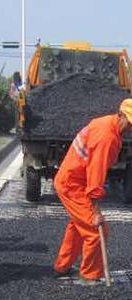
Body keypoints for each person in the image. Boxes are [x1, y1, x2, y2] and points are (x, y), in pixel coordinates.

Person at [53, 99, 132, 285]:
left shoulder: (107, 124)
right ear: (120, 114)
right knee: (97, 230)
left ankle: (62, 267)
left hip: (72, 180)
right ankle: (89, 276)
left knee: (79, 227)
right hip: (73, 185)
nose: (130, 127)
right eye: (128, 122)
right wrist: (96, 211)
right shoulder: (107, 137)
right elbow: (95, 175)